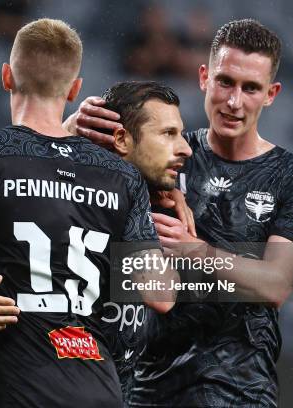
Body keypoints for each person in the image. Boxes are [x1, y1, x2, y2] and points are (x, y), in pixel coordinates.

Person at [64, 18, 293, 407]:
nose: (234, 101)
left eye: (250, 88)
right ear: (204, 77)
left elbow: (276, 285)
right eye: (225, 82)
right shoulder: (159, 153)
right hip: (144, 388)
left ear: (271, 93)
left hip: (240, 393)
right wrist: (73, 127)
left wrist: (197, 252)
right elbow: (64, 179)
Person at [0, 18, 173, 407]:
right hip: (101, 389)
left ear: (6, 76)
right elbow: (162, 294)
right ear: (74, 88)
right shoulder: (120, 175)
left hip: (27, 389)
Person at [95, 81, 192, 405]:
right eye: (168, 134)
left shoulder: (162, 203)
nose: (185, 148)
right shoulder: (78, 200)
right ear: (122, 139)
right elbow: (162, 296)